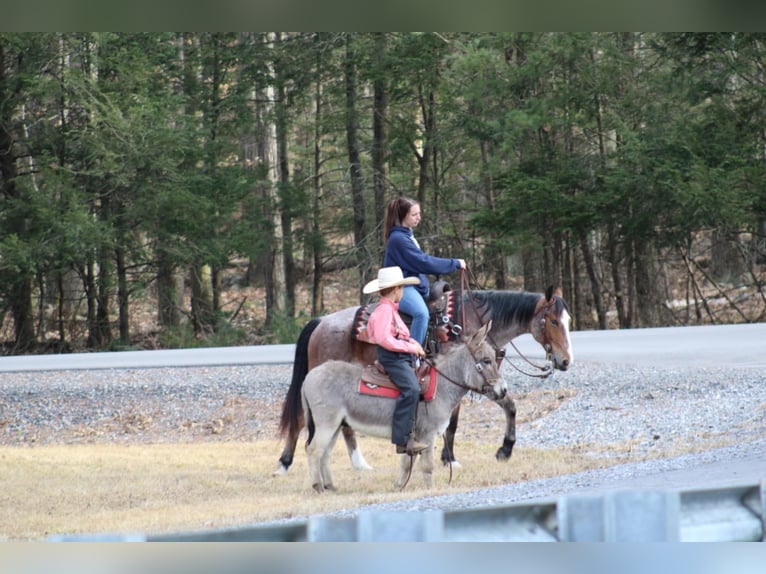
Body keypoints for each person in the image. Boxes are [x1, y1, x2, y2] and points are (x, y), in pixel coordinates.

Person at [363, 266, 428, 455]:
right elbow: (385, 339)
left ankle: (414, 431)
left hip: (399, 356)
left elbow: (399, 335)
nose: (403, 292)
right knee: (412, 389)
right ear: (394, 290)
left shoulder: (391, 310)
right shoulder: (384, 311)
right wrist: (410, 347)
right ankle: (402, 440)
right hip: (392, 359)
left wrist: (414, 343)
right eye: (401, 288)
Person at [383, 197, 466, 346]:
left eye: (419, 214)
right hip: (400, 287)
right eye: (414, 215)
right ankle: (412, 357)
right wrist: (454, 263)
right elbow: (422, 262)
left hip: (414, 285)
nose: (419, 218)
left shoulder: (407, 235)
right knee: (421, 314)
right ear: (403, 216)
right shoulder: (398, 239)